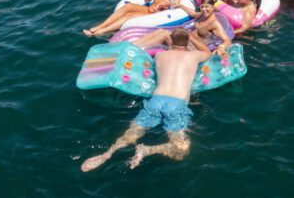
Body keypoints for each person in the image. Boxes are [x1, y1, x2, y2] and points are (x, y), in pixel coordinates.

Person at [80, 27, 212, 172]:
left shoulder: (160, 56)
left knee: (130, 135)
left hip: (155, 100)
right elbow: (208, 53)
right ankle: (147, 150)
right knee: (181, 150)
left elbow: (169, 56)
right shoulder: (193, 56)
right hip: (177, 103)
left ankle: (107, 154)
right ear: (187, 42)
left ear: (171, 41)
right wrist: (192, 38)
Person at [193, 0, 261, 34]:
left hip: (231, 14)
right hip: (232, 7)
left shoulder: (249, 11)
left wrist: (229, 33)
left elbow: (244, 28)